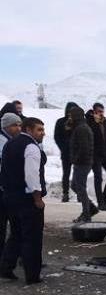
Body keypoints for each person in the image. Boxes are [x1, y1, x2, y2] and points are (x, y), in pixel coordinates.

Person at [0, 117, 47, 284]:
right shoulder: (31, 147)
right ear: (28, 130)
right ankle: (32, 275)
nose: (43, 133)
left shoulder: (10, 143)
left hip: (11, 197)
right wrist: (37, 197)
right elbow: (31, 174)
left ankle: (6, 267)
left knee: (16, 234)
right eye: (39, 130)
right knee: (32, 237)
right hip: (27, 199)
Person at [0, 113, 23, 260]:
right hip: (3, 188)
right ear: (6, 126)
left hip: (10, 189)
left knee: (17, 225)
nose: (18, 128)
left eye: (20, 125)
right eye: (15, 125)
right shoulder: (2, 141)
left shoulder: (13, 140)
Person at [68, 105, 96, 223]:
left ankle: (86, 214)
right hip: (82, 162)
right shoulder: (80, 127)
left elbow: (83, 147)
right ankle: (90, 208)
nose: (69, 117)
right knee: (75, 185)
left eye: (71, 115)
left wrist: (76, 159)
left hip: (82, 163)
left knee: (80, 187)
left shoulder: (82, 128)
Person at [86, 102, 106, 211]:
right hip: (95, 155)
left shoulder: (105, 121)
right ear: (94, 111)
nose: (101, 114)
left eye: (102, 112)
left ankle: (104, 197)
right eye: (99, 112)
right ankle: (100, 202)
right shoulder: (89, 121)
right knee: (98, 178)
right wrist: (94, 121)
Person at [54, 102, 79, 202]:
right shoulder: (60, 122)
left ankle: (79, 193)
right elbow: (57, 137)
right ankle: (65, 193)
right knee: (66, 173)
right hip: (66, 152)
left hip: (77, 152)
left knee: (78, 174)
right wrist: (63, 147)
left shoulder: (79, 123)